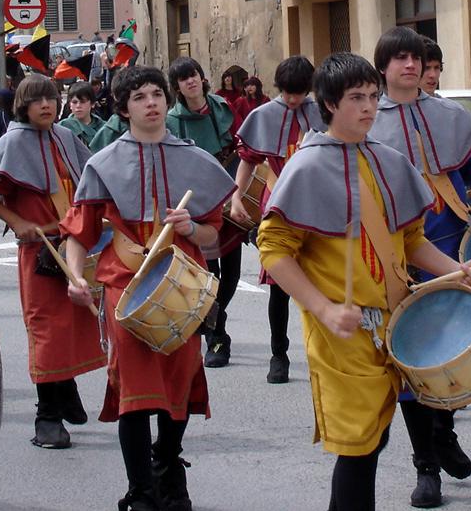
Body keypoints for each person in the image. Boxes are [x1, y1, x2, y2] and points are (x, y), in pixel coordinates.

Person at [257, 52, 471, 511]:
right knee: (359, 446)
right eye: (356, 98)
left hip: (397, 320)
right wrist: (321, 308)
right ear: (327, 103)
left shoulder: (388, 160)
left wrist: (457, 271)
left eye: (372, 96)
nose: (368, 107)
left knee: (375, 439)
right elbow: (274, 250)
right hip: (341, 331)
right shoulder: (306, 166)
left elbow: (413, 241)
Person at [62, 65, 235, 511]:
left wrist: (192, 226)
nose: (151, 103)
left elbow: (214, 236)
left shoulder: (195, 158)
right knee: (136, 391)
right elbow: (79, 233)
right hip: (126, 285)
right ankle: (140, 488)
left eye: (156, 94)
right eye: (139, 97)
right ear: (124, 107)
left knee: (178, 384)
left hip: (183, 282)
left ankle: (168, 466)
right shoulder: (103, 163)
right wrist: (76, 276)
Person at [370, 27, 471, 508]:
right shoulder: (367, 121)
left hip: (453, 247)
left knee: (451, 351)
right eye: (400, 59)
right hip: (396, 255)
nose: (410, 66)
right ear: (384, 67)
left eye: (416, 58)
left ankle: (444, 431)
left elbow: (462, 167)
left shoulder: (445, 114)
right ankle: (426, 466)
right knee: (413, 360)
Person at [0, 74, 104, 450]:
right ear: (23, 106)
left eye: (50, 98)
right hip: (39, 250)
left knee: (78, 322)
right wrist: (17, 222)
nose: (46, 104)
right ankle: (48, 415)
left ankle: (65, 388)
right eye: (37, 99)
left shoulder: (64, 136)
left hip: (73, 245)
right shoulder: (12, 140)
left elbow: (91, 176)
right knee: (47, 328)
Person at [230, 57, 322, 383]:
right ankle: (278, 354)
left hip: (317, 204)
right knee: (279, 287)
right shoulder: (264, 115)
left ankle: (324, 354)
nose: (294, 100)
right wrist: (236, 195)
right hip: (279, 205)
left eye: (299, 93)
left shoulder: (322, 112)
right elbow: (248, 161)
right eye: (288, 93)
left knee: (323, 281)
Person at [166, 57, 244, 368]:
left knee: (233, 273)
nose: (191, 81)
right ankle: (217, 337)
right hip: (198, 205)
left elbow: (241, 147)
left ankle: (212, 316)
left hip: (229, 197)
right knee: (210, 273)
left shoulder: (222, 107)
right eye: (184, 78)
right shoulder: (172, 120)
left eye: (194, 75)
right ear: (177, 87)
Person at [59, 81, 106, 146]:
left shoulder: (104, 127)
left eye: (83, 102)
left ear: (92, 104)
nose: (78, 106)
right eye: (74, 102)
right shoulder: (63, 127)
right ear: (70, 105)